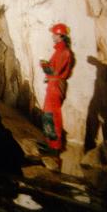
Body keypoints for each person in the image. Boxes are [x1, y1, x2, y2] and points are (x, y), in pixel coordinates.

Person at [39, 23, 75, 155]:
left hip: (55, 86)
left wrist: (44, 65)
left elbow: (55, 71)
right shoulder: (59, 51)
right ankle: (50, 143)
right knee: (48, 115)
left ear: (60, 36)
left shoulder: (64, 52)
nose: (52, 36)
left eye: (54, 34)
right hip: (53, 85)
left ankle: (55, 147)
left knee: (53, 116)